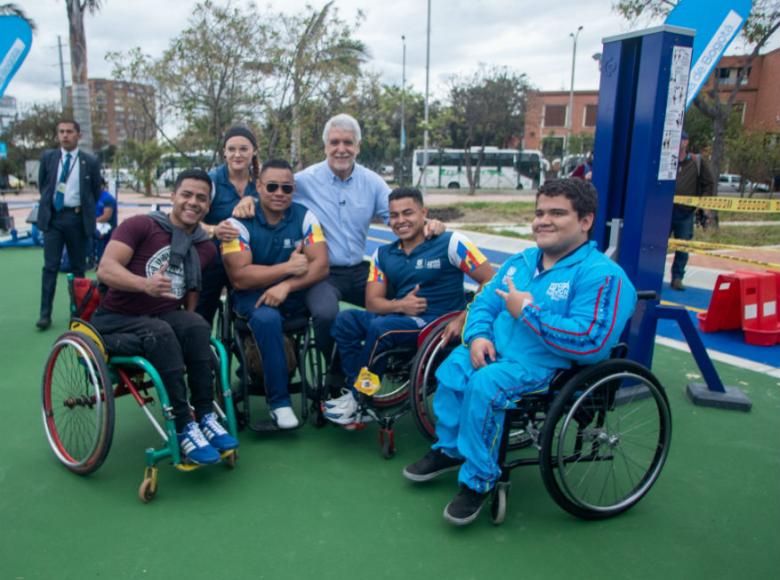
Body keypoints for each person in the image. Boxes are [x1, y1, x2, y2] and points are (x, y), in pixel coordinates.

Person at [402, 178, 637, 526]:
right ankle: (450, 448)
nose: (543, 220)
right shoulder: (522, 261)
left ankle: (479, 480)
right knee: (453, 367)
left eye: (557, 213)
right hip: (495, 352)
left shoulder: (603, 276)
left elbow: (592, 342)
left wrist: (526, 312)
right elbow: (483, 302)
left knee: (486, 385)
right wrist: (479, 336)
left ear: (585, 221)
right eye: (539, 212)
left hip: (546, 367)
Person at [233, 114, 444, 362]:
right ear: (325, 147)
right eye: (334, 142)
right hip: (323, 273)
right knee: (325, 314)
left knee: (413, 295)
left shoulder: (373, 183)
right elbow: (273, 192)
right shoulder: (304, 181)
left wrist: (431, 223)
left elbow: (400, 217)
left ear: (358, 146)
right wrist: (249, 200)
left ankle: (398, 359)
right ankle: (338, 373)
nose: (341, 149)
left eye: (348, 142)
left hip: (359, 270)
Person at [93, 169, 239, 465]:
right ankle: (185, 425)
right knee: (161, 331)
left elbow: (191, 295)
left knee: (196, 326)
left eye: (201, 198)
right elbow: (106, 269)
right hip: (115, 319)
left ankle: (206, 415)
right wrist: (143, 284)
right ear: (172, 196)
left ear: (208, 206)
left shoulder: (204, 247)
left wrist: (190, 331)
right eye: (186, 194)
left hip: (160, 319)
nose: (193, 202)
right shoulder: (140, 226)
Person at [324, 187, 495, 427]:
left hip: (437, 323)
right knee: (346, 320)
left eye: (408, 213)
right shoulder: (383, 254)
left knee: (382, 329)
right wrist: (401, 304)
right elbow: (373, 302)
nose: (401, 220)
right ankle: (359, 388)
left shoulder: (451, 242)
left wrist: (464, 317)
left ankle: (359, 397)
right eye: (394, 215)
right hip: (403, 317)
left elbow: (490, 280)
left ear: (423, 212)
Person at [221, 160, 329, 429]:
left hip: (292, 294)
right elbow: (240, 277)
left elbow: (320, 265)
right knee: (268, 319)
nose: (280, 192)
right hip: (252, 297)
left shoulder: (305, 217)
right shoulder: (236, 223)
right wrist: (288, 268)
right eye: (271, 186)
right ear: (258, 187)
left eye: (287, 188)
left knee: (328, 311)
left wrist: (287, 285)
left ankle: (336, 386)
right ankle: (279, 403)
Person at [36, 119, 102, 330]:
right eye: (61, 132)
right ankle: (45, 314)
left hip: (77, 219)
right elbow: (43, 184)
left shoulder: (89, 161)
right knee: (50, 267)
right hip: (54, 219)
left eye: (69, 132)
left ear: (78, 135)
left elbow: (95, 191)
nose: (65, 135)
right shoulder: (49, 157)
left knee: (78, 268)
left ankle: (79, 313)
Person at [196, 125, 261, 327]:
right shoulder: (212, 180)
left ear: (254, 151)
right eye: (231, 149)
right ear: (224, 152)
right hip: (214, 260)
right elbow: (187, 220)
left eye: (243, 149)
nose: (237, 154)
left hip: (249, 261)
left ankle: (250, 353)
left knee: (252, 316)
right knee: (201, 316)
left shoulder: (262, 183)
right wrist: (214, 230)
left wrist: (253, 199)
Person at [670, 131, 715, 291]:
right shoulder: (668, 161)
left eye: (681, 139)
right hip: (665, 212)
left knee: (683, 246)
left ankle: (677, 277)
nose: (679, 143)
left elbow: (708, 184)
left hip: (685, 213)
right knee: (658, 246)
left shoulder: (696, 162)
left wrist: (703, 203)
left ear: (686, 142)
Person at [93, 179, 117, 265]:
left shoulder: (108, 198)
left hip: (107, 226)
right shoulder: (94, 196)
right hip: (96, 224)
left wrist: (91, 221)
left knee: (97, 234)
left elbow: (106, 216)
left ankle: (100, 261)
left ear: (102, 185)